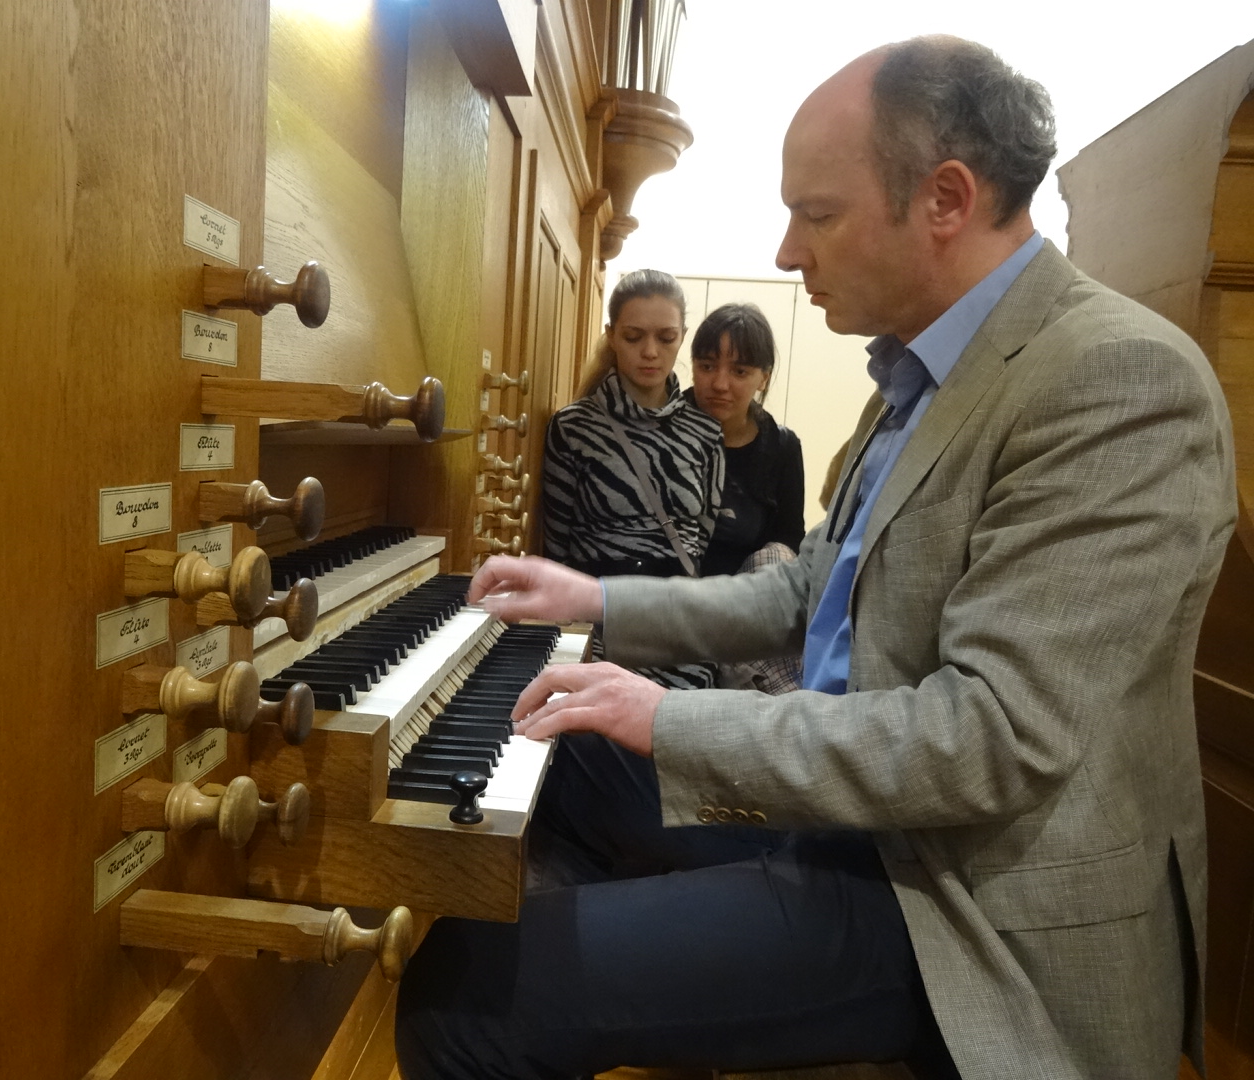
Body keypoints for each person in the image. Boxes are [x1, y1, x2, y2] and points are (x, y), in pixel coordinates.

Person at [397, 34, 1237, 1080]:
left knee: (464, 992)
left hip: (963, 905)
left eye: (817, 214)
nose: (788, 251)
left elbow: (991, 737)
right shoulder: (919, 374)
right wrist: (593, 596)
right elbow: (806, 592)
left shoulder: (1114, 378)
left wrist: (670, 717)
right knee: (556, 762)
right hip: (856, 822)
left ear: (945, 199)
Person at [540, 268, 724, 690]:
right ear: (611, 335)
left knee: (679, 725)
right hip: (600, 622)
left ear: (683, 336)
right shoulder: (573, 427)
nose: (650, 352)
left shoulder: (706, 433)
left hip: (677, 625)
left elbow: (701, 538)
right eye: (633, 336)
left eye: (666, 337)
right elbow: (557, 546)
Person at [687, 302, 805, 576]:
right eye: (707, 366)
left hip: (746, 595)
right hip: (664, 591)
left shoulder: (782, 447)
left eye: (739, 372)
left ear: (763, 378)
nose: (720, 384)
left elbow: (789, 540)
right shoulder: (663, 431)